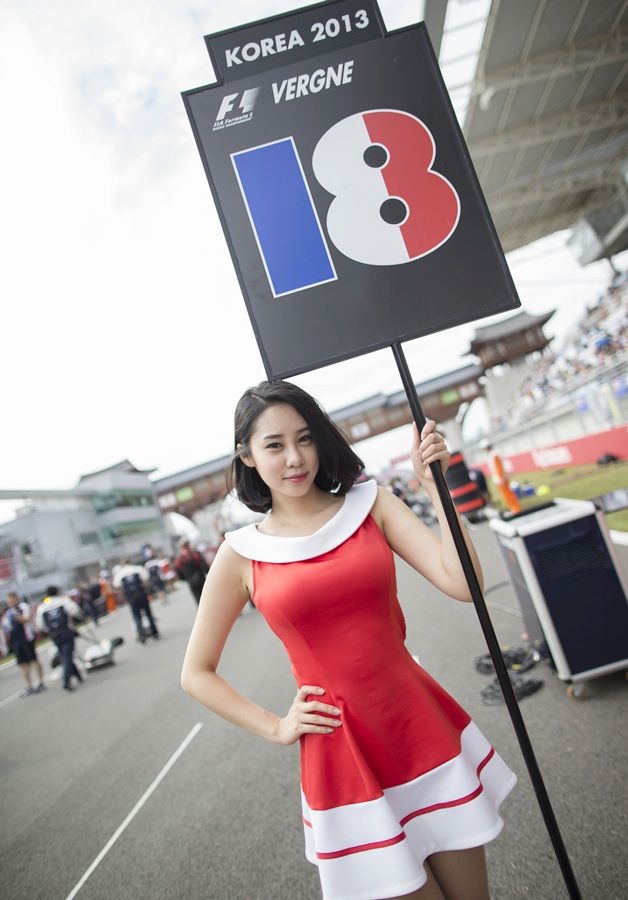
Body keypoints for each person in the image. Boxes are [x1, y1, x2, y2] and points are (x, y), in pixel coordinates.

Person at [181, 381, 516, 900]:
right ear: (246, 456)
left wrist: (434, 488)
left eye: (306, 438)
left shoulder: (370, 504)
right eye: (274, 445)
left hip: (417, 726)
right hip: (342, 758)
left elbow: (462, 584)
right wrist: (276, 726)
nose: (295, 458)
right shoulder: (240, 554)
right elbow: (195, 672)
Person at [36, 587, 84, 692]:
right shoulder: (63, 601)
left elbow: (40, 625)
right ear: (57, 592)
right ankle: (66, 680)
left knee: (65, 654)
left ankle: (78, 675)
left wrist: (49, 631)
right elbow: (75, 610)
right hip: (66, 631)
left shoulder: (42, 607)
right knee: (67, 655)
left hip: (54, 635)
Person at [2, 592, 46, 695]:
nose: (11, 603)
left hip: (26, 638)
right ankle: (29, 685)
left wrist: (16, 615)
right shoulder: (8, 613)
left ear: (16, 599)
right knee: (22, 664)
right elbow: (7, 628)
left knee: (33, 660)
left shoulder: (23, 607)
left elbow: (26, 619)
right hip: (16, 641)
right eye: (9, 602)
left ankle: (41, 681)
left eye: (12, 601)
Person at [112, 559, 160, 643]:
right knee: (148, 614)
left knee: (137, 617)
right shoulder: (138, 569)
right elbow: (146, 578)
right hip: (141, 594)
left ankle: (141, 635)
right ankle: (154, 632)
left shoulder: (120, 574)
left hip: (131, 598)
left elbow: (116, 585)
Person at [485, 444, 521, 514]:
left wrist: (501, 478)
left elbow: (499, 467)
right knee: (506, 494)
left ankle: (515, 508)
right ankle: (513, 508)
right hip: (500, 478)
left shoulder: (494, 455)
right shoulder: (493, 455)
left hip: (501, 478)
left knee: (508, 493)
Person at [174, 539, 209, 604]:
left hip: (191, 582)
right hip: (201, 579)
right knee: (206, 598)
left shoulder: (180, 559)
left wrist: (185, 579)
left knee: (198, 600)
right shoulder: (195, 554)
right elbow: (205, 566)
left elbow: (178, 572)